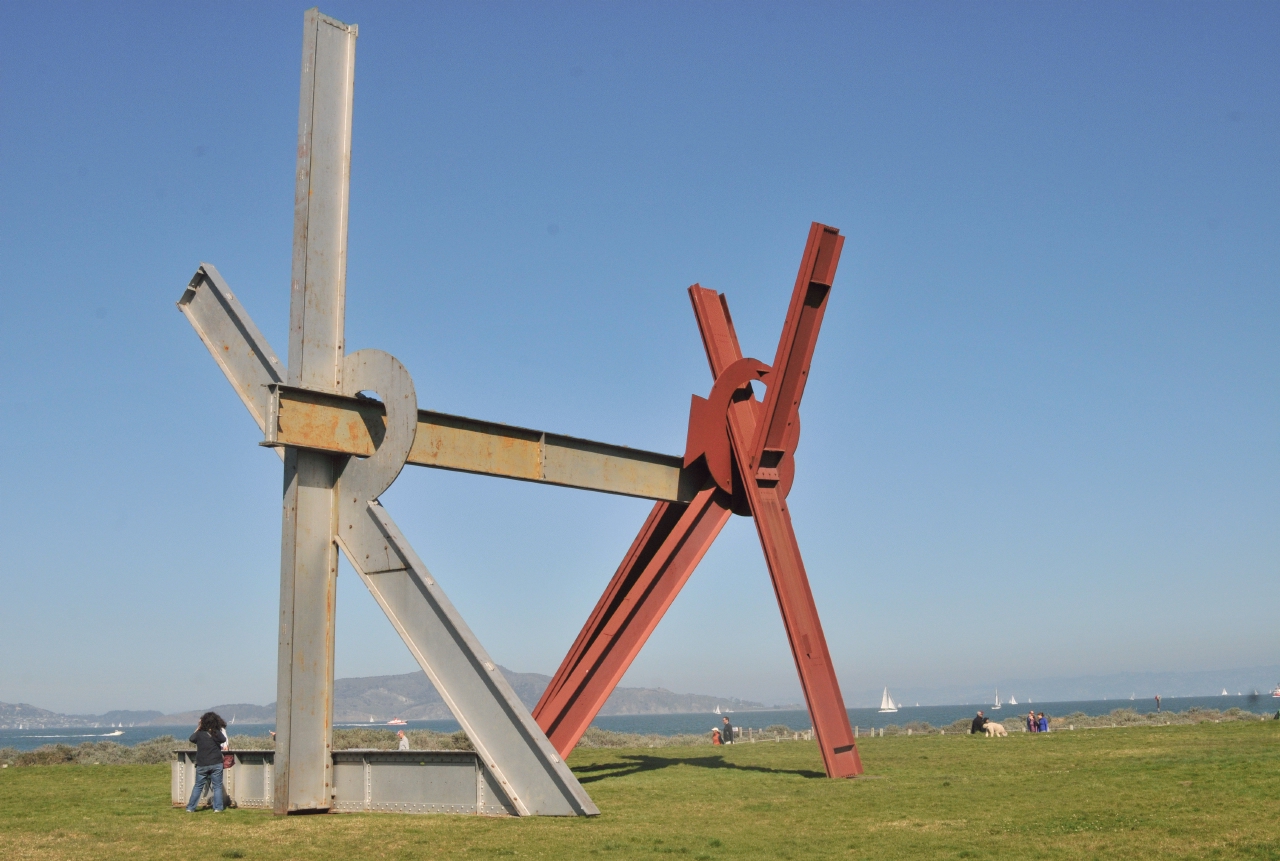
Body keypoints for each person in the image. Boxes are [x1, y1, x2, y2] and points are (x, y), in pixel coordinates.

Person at [186, 711, 228, 813]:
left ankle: (191, 808)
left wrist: (199, 726)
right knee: (217, 786)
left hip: (202, 763)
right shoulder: (216, 733)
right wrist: (216, 729)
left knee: (198, 786)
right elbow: (223, 739)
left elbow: (191, 738)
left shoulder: (199, 734)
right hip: (216, 762)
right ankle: (218, 808)